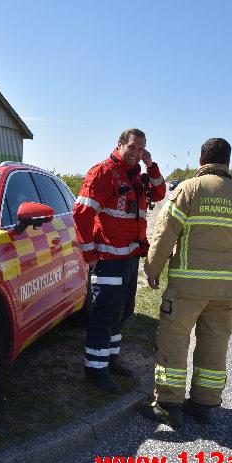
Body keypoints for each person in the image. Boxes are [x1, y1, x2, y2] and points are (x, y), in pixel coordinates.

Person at [140, 137, 232, 428]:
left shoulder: (188, 189)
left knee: (173, 341)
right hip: (226, 289)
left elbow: (165, 234)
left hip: (188, 286)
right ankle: (203, 405)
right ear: (228, 162)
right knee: (215, 345)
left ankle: (168, 405)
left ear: (201, 161)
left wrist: (152, 268)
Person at [73, 128, 166, 392]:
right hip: (108, 257)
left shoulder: (137, 173)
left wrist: (151, 165)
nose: (136, 153)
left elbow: (159, 195)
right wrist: (89, 255)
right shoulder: (102, 172)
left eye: (141, 149)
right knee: (105, 314)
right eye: (133, 148)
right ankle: (95, 370)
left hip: (129, 257)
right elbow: (81, 214)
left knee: (122, 312)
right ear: (120, 145)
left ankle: (110, 360)